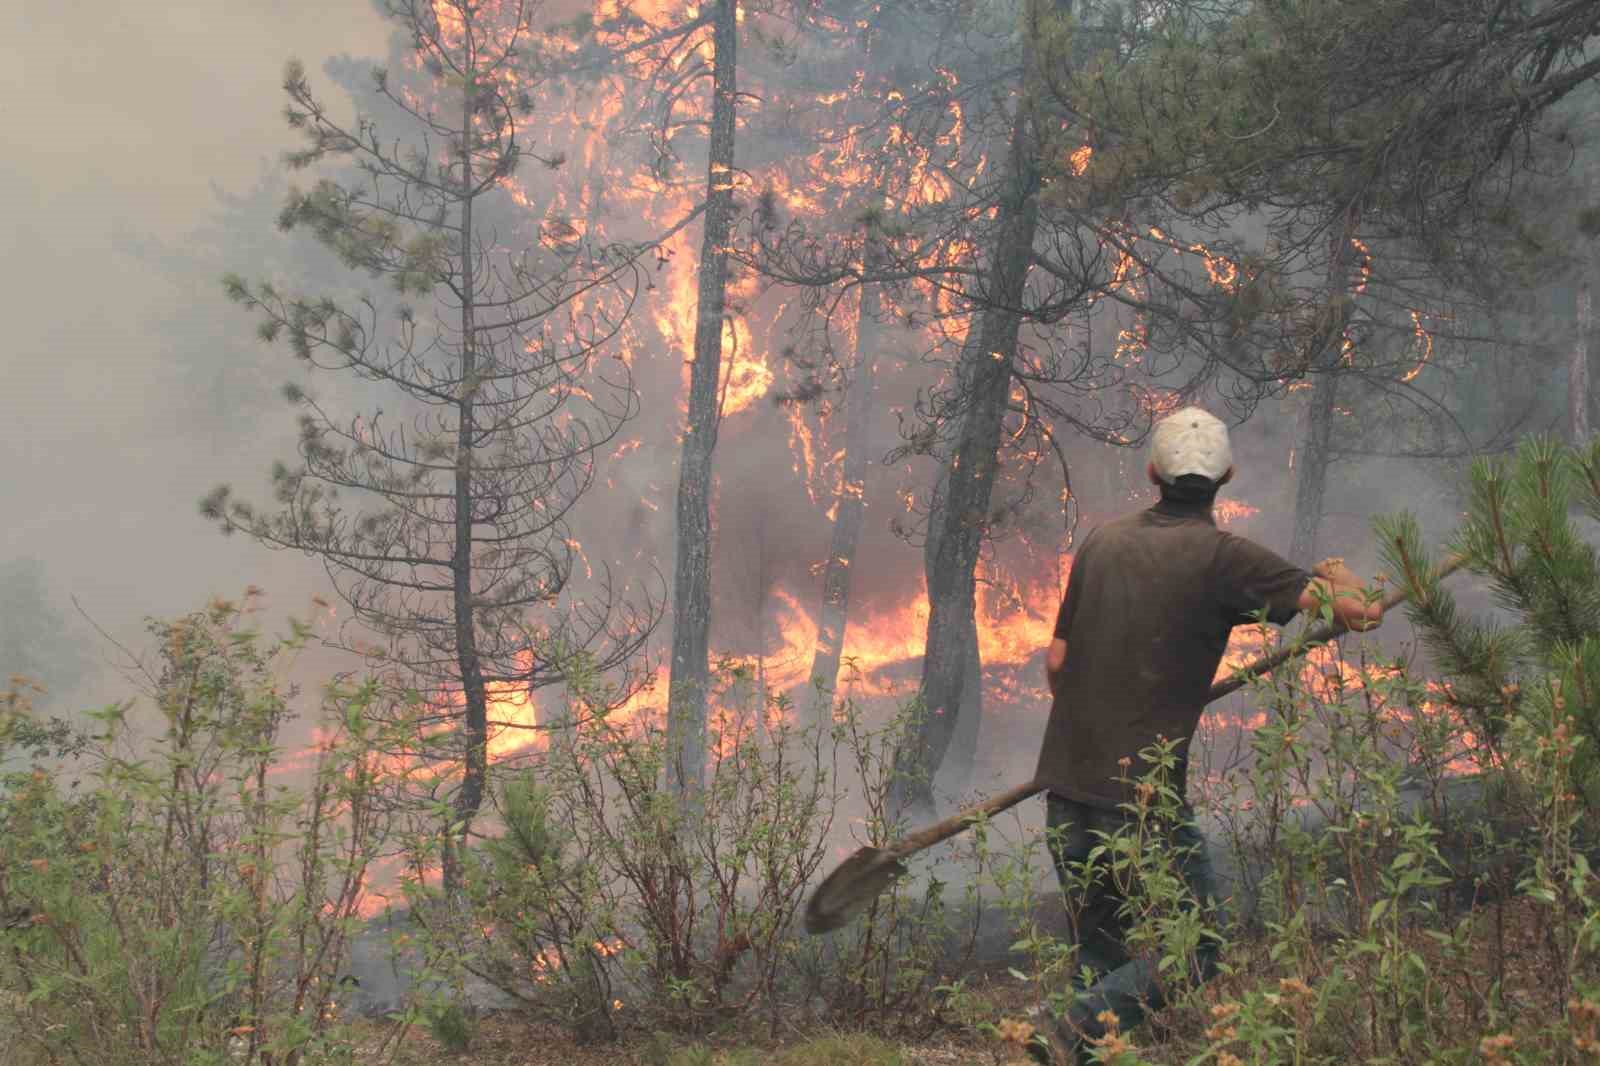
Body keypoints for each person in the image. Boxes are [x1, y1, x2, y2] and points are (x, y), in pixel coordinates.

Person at [1027, 407, 1383, 1065]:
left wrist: (1091, 723)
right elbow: (1360, 613)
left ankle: (1076, 1041)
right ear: (1227, 478)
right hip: (1141, 799)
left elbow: (1056, 662)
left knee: (1101, 948)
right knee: (1201, 947)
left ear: (1153, 472)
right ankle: (1076, 1025)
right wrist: (1339, 575)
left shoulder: (1100, 543)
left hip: (1065, 789)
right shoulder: (1226, 558)